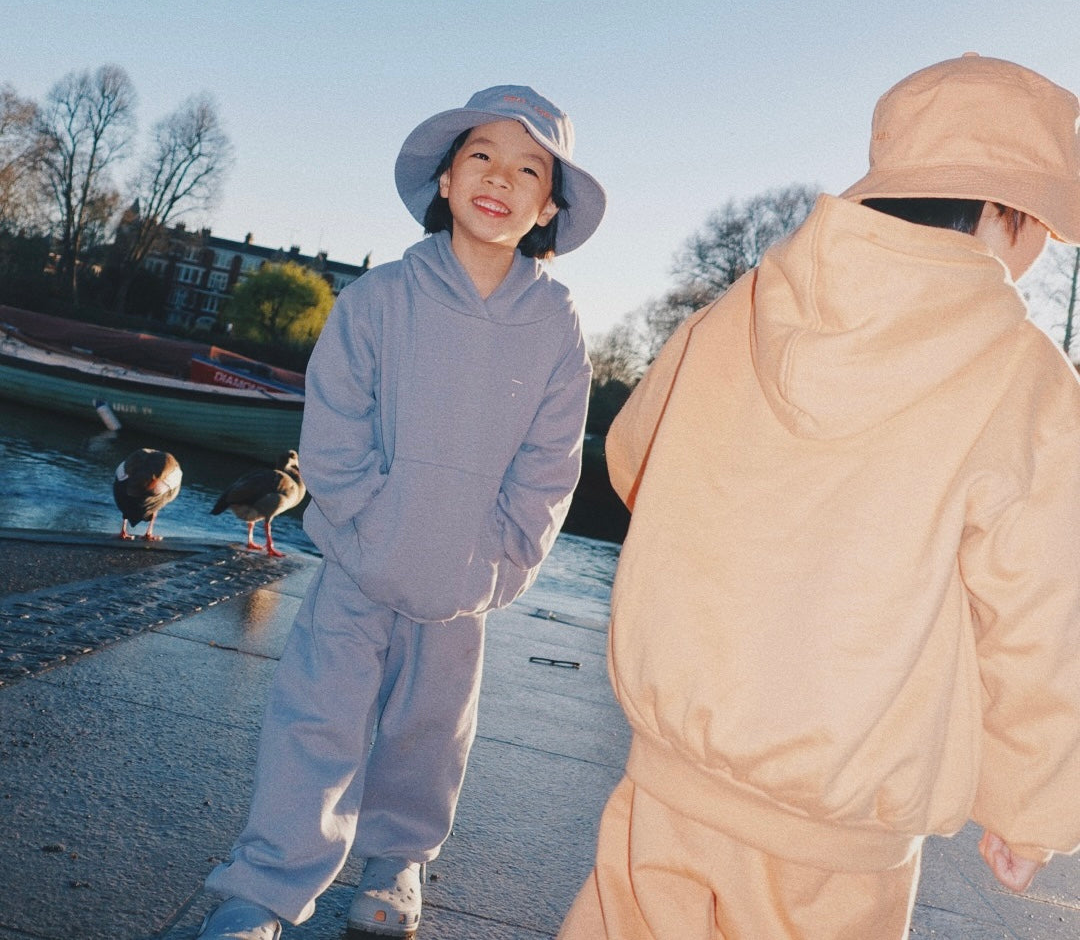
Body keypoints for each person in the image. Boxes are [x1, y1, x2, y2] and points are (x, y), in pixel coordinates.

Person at [559, 53, 1080, 940]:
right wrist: (1030, 807)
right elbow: (1043, 613)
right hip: (840, 829)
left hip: (668, 783)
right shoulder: (1024, 378)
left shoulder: (750, 305)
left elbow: (635, 455)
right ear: (1009, 211)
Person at [198, 85, 605, 940]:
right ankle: (263, 890)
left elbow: (551, 460)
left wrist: (504, 556)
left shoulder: (558, 324)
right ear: (446, 179)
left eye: (528, 170)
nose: (501, 178)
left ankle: (397, 864)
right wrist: (370, 524)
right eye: (481, 157)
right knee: (315, 724)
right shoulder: (379, 297)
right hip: (361, 564)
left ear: (548, 207)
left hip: (464, 579)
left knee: (431, 734)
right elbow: (334, 423)